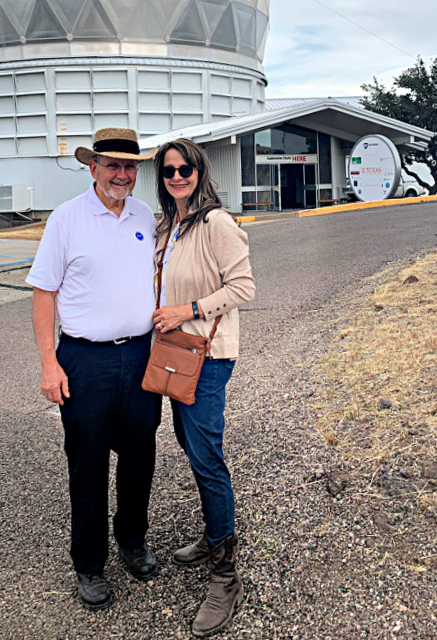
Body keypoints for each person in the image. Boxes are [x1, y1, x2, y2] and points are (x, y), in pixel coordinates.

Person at [26, 127, 162, 610]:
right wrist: (49, 363)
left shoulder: (145, 215)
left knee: (140, 456)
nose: (122, 174)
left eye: (130, 166)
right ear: (93, 168)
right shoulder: (66, 219)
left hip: (142, 356)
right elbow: (44, 293)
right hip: (86, 359)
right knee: (87, 465)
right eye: (112, 165)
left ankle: (132, 540)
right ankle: (88, 563)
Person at [151, 138, 255, 638]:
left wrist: (187, 310)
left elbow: (244, 288)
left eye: (184, 168)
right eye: (169, 170)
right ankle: (214, 535)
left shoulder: (216, 223)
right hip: (176, 355)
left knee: (208, 458)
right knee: (193, 451)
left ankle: (225, 573)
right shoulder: (168, 226)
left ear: (200, 169)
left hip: (208, 357)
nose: (177, 176)